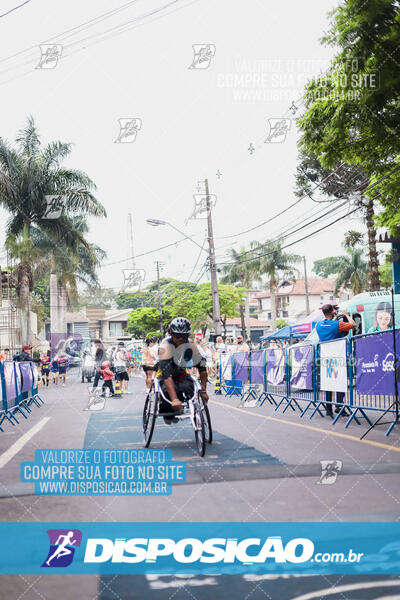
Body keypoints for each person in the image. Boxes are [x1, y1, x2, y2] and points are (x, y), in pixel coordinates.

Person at [156, 317, 208, 424]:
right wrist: (174, 400)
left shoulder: (191, 345)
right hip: (165, 376)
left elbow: (202, 368)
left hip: (181, 375)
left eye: (184, 336)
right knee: (168, 393)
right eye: (177, 336)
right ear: (171, 334)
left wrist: (203, 391)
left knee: (189, 388)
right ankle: (169, 411)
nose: (180, 339)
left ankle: (190, 408)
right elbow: (166, 376)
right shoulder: (165, 347)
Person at [316, 303, 357, 417]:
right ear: (333, 312)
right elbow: (354, 325)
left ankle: (328, 408)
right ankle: (339, 407)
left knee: (328, 382)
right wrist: (346, 315)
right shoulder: (337, 325)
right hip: (338, 357)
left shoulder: (318, 325)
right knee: (340, 381)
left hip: (325, 358)